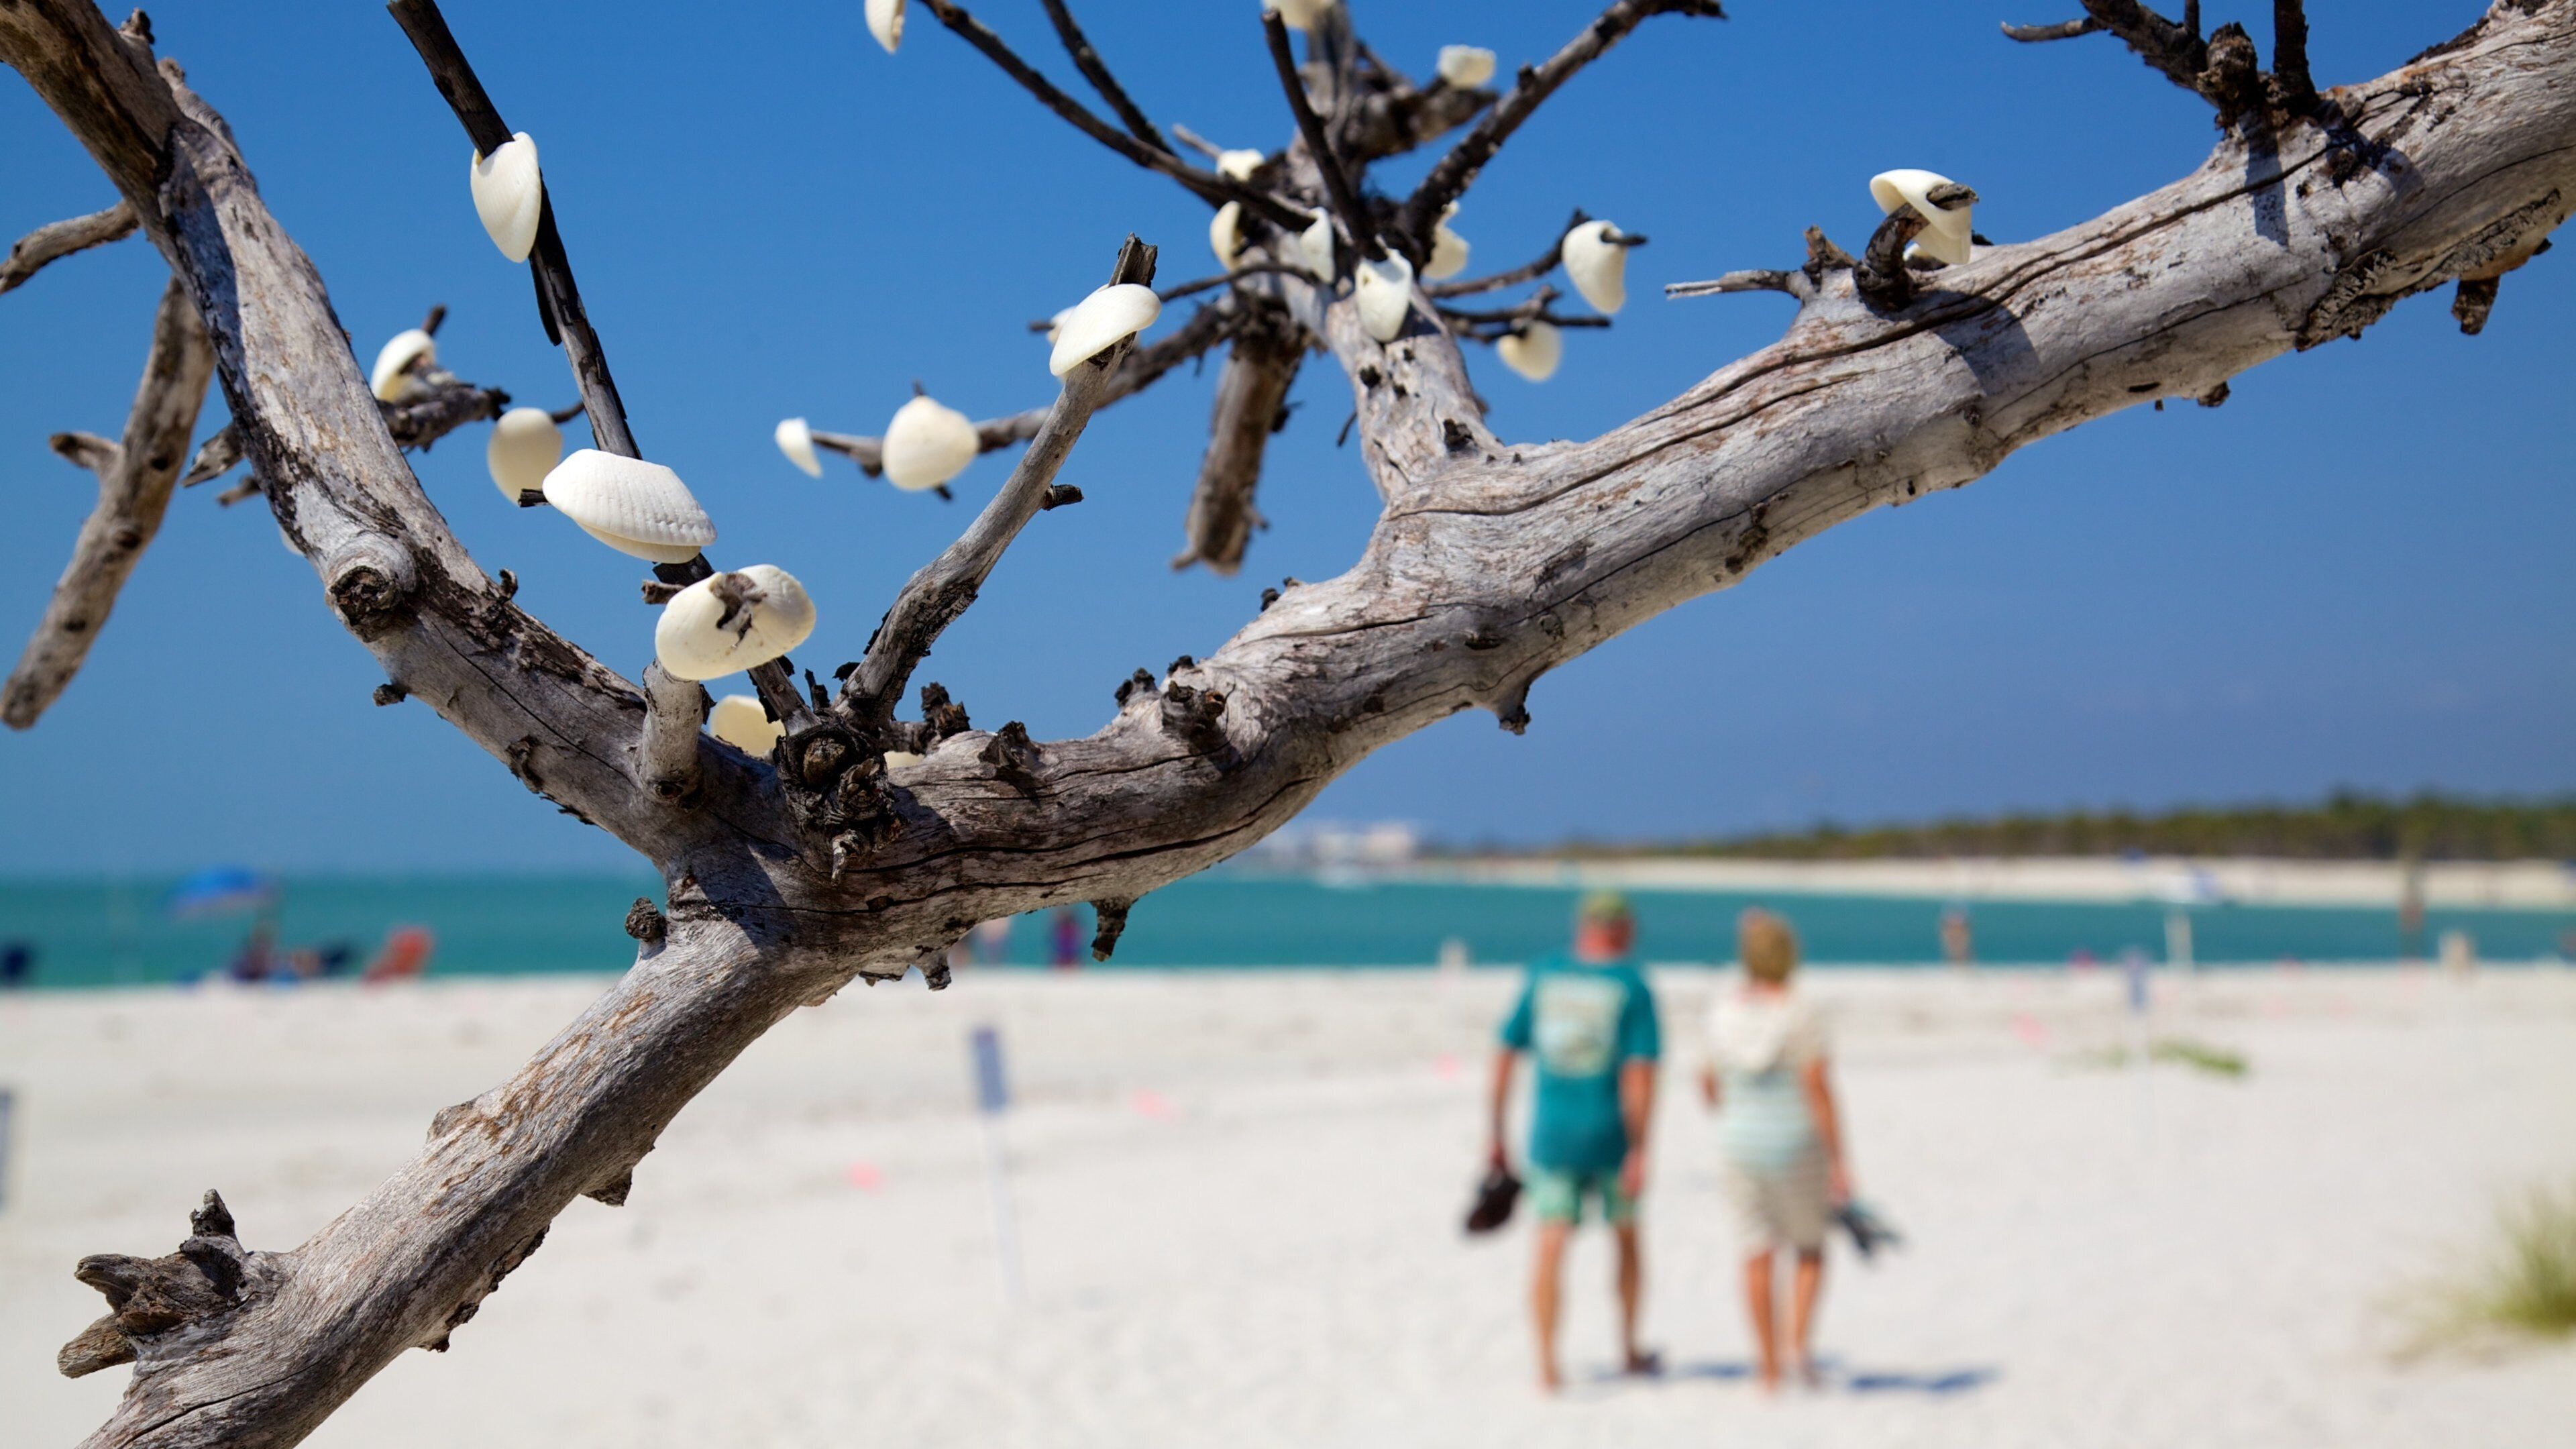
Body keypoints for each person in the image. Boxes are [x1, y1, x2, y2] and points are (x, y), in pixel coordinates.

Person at [1487, 890, 1662, 1391]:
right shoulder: (1632, 984)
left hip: (1551, 1137)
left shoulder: (1544, 974)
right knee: (1626, 1239)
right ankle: (1628, 1348)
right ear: (1622, 929)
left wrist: (1496, 1133)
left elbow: (1504, 1054)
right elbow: (1640, 1075)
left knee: (1550, 1243)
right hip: (1611, 1137)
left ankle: (1547, 1366)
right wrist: (1642, 1147)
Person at [1699, 908, 1851, 1393]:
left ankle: (1766, 1368)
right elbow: (1817, 1087)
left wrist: (1736, 1110)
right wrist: (1840, 1158)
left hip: (1739, 1141)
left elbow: (1708, 1084)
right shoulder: (1800, 1011)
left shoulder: (1724, 1010)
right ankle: (1797, 1348)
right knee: (1809, 1246)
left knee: (1756, 1251)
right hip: (1794, 1141)